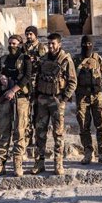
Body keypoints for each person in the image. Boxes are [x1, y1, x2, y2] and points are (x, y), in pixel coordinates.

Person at [30, 32, 76, 176]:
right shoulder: (43, 60)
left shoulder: (65, 60)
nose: (50, 46)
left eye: (53, 43)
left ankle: (58, 163)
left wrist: (64, 98)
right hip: (43, 100)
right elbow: (36, 78)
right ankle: (39, 162)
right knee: (40, 132)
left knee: (58, 133)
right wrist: (36, 96)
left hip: (57, 100)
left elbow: (72, 81)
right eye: (49, 43)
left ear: (59, 44)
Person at [0, 34, 33, 178]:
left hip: (20, 99)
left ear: (20, 44)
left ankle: (17, 163)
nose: (12, 46)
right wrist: (0, 77)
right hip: (5, 100)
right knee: (3, 131)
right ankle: (0, 165)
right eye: (10, 43)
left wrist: (13, 90)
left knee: (20, 131)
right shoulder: (4, 59)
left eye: (14, 43)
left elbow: (27, 77)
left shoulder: (25, 59)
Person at [73, 35, 102, 165]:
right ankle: (88, 153)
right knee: (84, 126)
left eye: (89, 44)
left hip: (97, 96)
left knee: (101, 124)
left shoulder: (97, 58)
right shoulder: (76, 60)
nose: (87, 47)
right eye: (84, 44)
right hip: (82, 97)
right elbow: (70, 77)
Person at [22, 25, 47, 157]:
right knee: (26, 112)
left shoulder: (42, 47)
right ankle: (27, 139)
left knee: (38, 113)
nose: (28, 36)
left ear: (35, 35)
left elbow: (46, 63)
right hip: (26, 85)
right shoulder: (23, 48)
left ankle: (39, 139)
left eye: (31, 34)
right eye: (27, 34)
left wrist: (35, 60)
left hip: (39, 84)